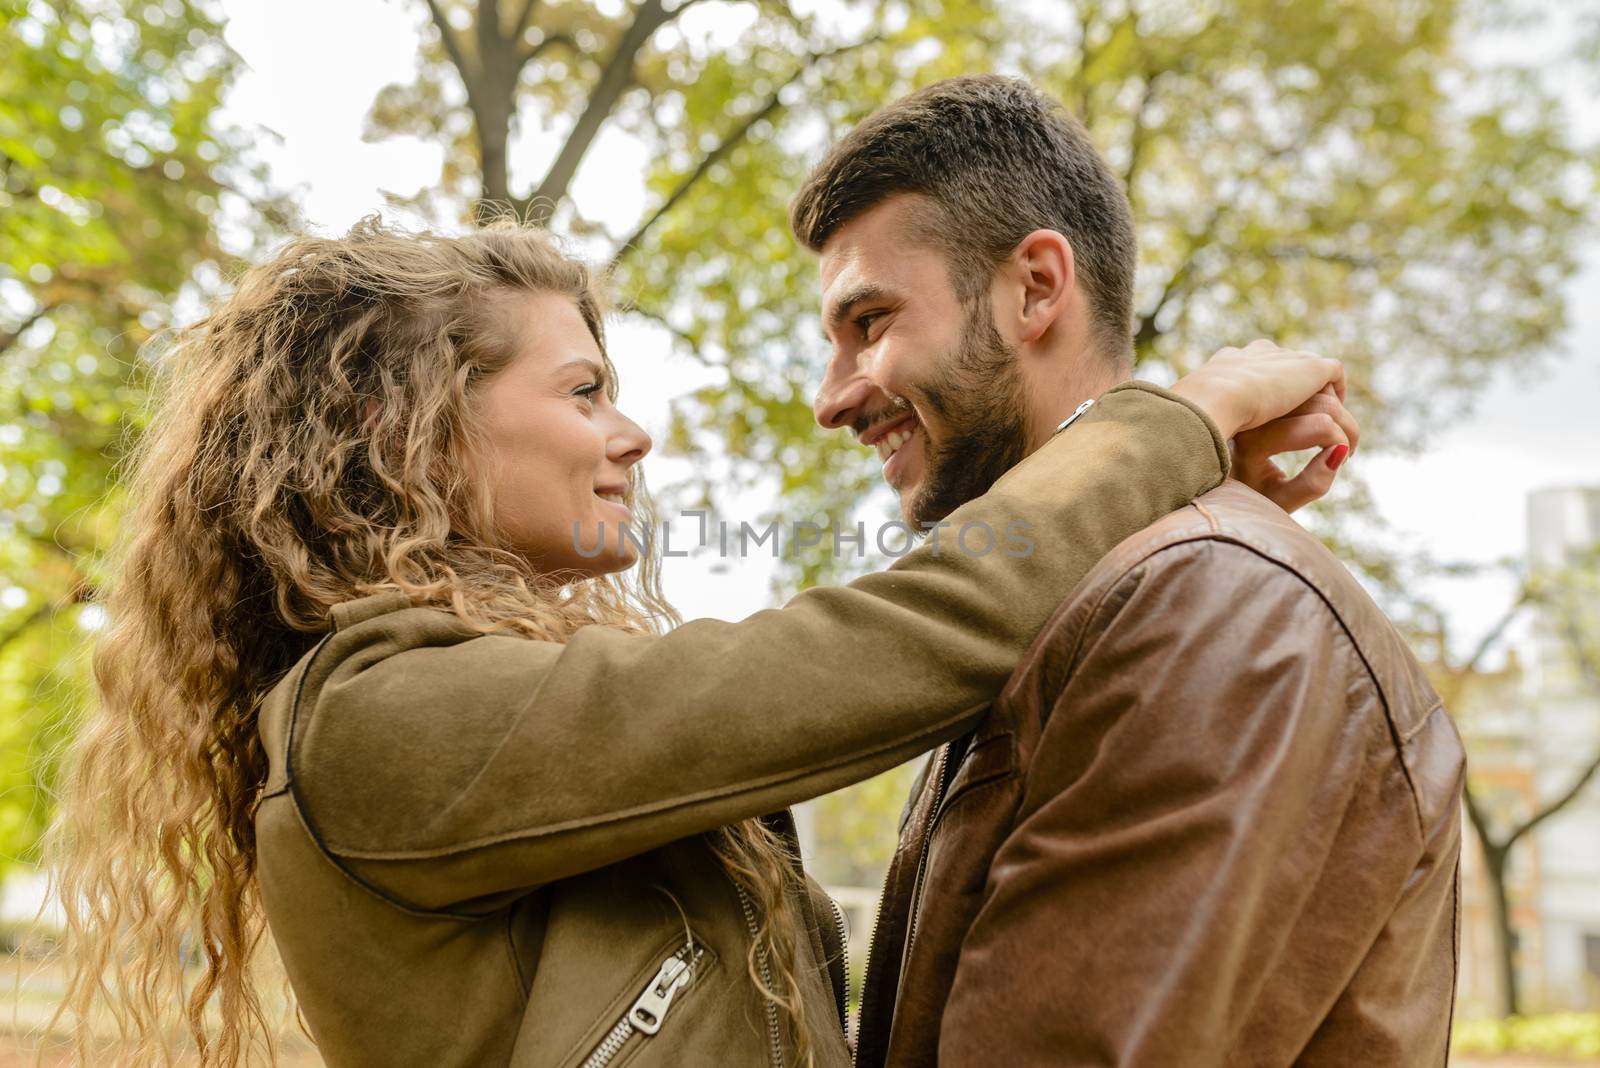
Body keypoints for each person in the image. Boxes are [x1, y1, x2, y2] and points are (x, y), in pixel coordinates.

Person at [45, 218, 1349, 1068]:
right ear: (414, 431)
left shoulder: (486, 707)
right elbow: (909, 636)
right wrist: (1170, 423)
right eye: (584, 391)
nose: (634, 435)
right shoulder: (375, 727)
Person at [790, 74, 1463, 1067]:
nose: (831, 398)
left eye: (871, 322)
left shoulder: (1207, 608)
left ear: (1035, 288)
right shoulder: (1079, 603)